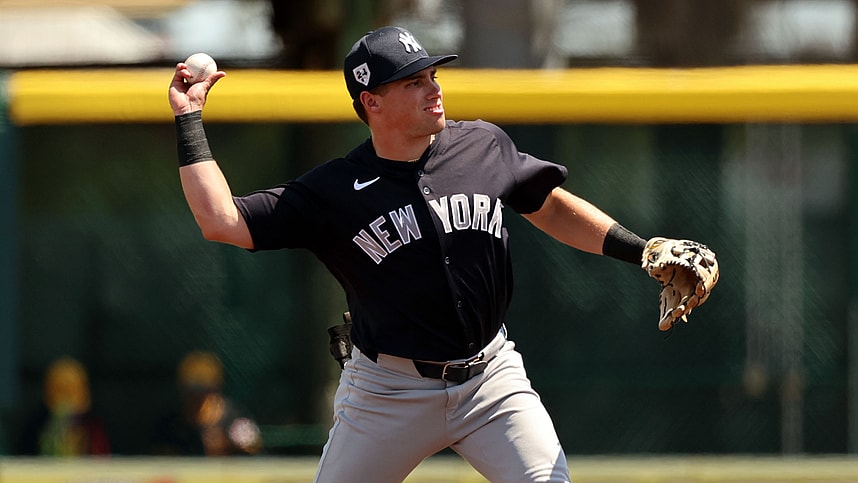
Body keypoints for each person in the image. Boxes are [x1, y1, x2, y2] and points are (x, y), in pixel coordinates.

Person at [168, 26, 705, 482]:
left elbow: (549, 206)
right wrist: (189, 119)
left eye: (432, 76)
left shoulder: (482, 145)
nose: (433, 89)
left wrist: (642, 251)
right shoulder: (334, 191)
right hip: (386, 392)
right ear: (371, 102)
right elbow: (223, 222)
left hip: (490, 378)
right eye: (412, 82)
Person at [150, 351, 262, 456]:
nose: (197, 398)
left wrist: (228, 443)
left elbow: (254, 446)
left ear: (216, 389)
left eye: (204, 390)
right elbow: (157, 458)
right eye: (191, 391)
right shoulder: (171, 423)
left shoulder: (235, 418)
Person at [18, 356, 111, 456]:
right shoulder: (34, 427)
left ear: (85, 392)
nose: (67, 396)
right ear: (48, 392)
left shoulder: (98, 427)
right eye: (60, 389)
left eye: (73, 389)